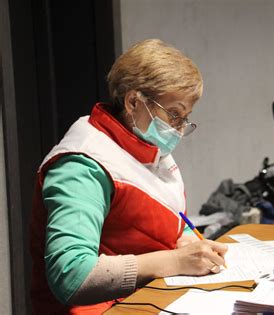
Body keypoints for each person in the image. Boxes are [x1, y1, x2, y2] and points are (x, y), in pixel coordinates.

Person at [29, 39, 228, 314]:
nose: (179, 129)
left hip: (144, 301)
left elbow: (166, 214)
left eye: (185, 118)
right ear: (134, 101)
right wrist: (176, 261)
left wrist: (187, 240)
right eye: (174, 115)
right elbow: (72, 275)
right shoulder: (82, 164)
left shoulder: (145, 143)